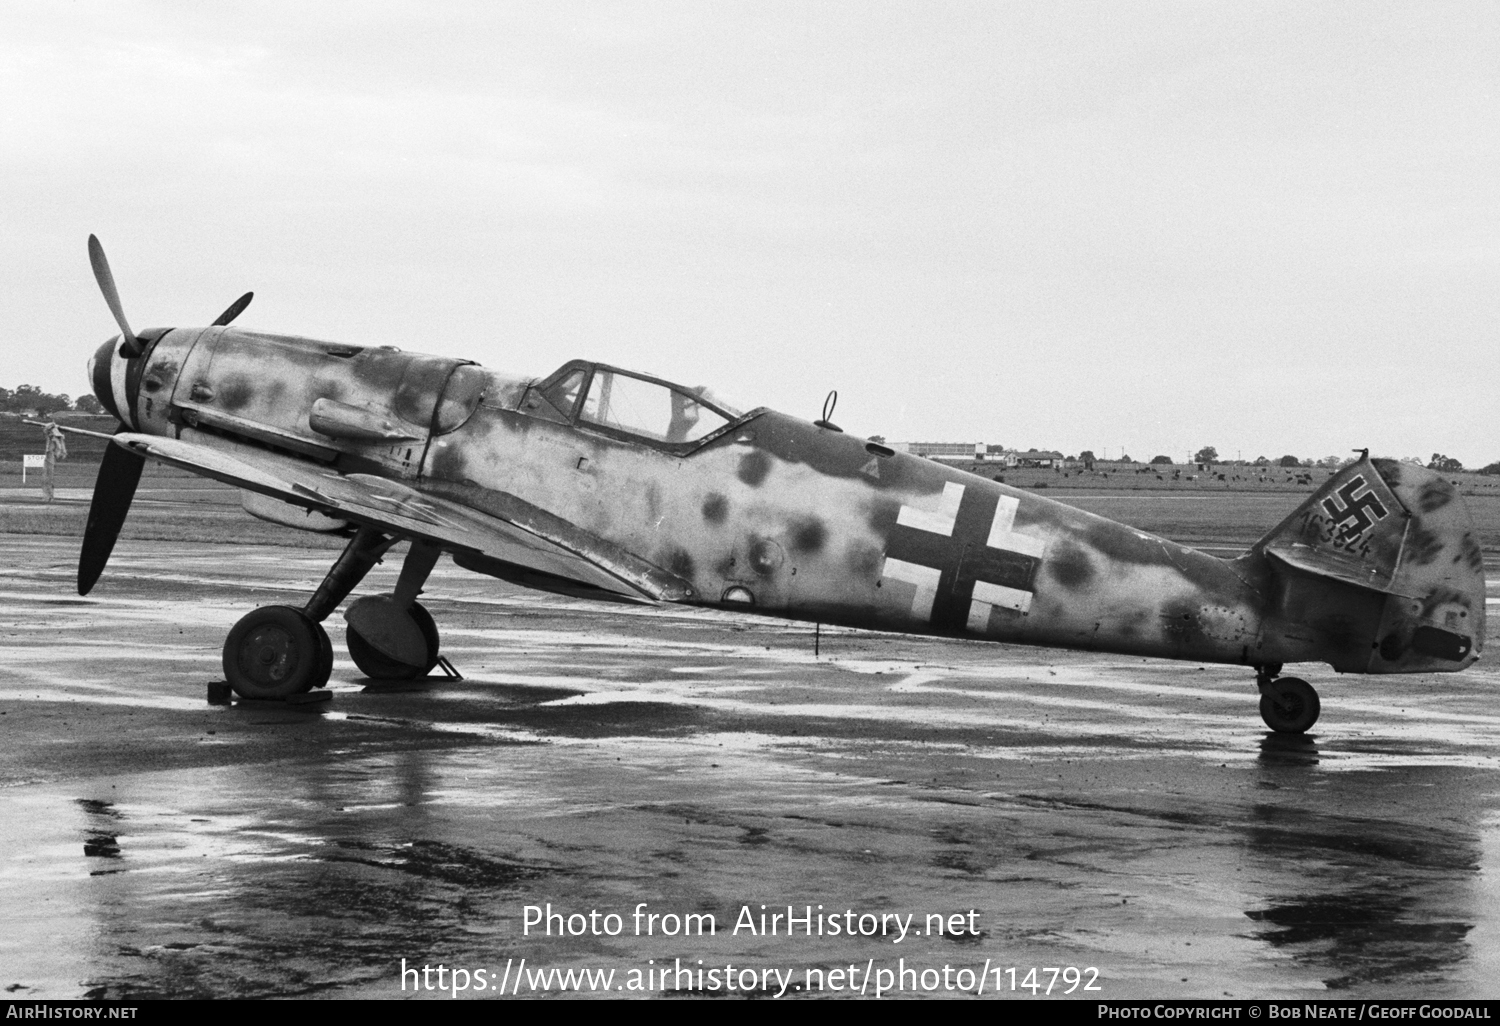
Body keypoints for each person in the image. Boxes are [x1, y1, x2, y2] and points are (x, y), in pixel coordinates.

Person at [41, 420, 66, 504]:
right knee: (46, 478)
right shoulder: (51, 438)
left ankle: (49, 496)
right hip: (49, 457)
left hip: (51, 458)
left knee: (48, 478)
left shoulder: (56, 440)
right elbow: (46, 431)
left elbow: (59, 450)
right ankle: (48, 496)